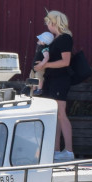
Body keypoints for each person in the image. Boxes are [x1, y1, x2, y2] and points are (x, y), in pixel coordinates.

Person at [31, 9, 74, 153]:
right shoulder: (56, 39)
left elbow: (65, 61)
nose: (47, 25)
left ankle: (68, 151)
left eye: (48, 22)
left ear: (54, 22)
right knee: (56, 115)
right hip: (52, 78)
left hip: (60, 79)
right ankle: (56, 149)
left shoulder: (65, 38)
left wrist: (45, 65)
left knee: (61, 114)